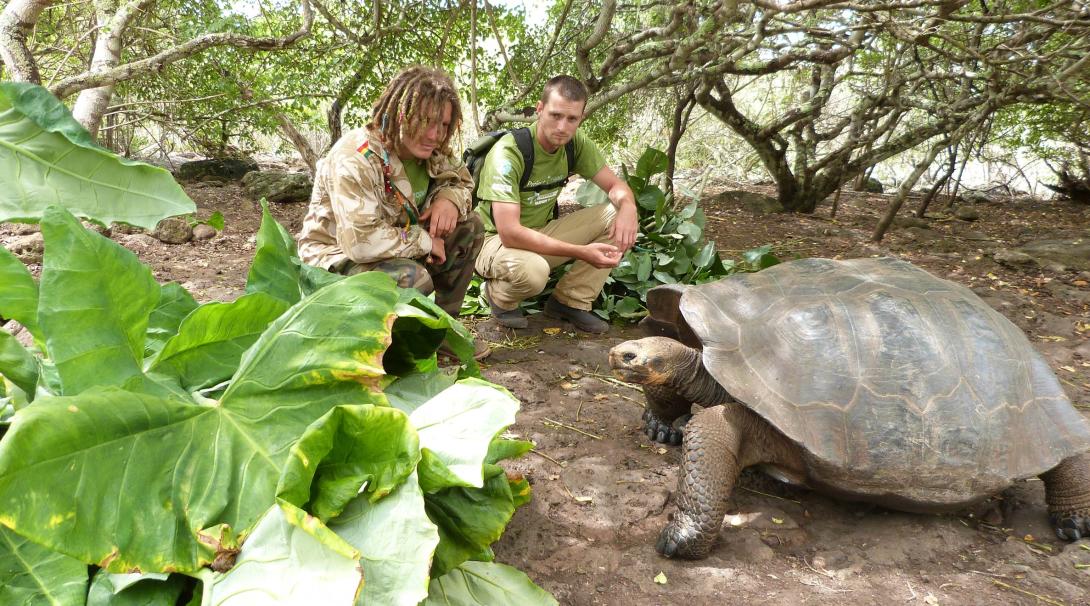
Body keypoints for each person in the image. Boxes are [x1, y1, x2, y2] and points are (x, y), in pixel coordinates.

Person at [297, 65, 488, 359]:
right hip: (336, 257)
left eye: (444, 125)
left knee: (471, 227)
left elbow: (463, 182)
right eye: (425, 121)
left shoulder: (436, 150)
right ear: (400, 112)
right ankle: (386, 348)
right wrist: (426, 241)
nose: (435, 134)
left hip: (398, 244)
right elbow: (361, 243)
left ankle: (441, 328)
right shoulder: (356, 157)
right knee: (412, 278)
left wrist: (449, 199)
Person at [473, 75, 638, 333]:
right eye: (555, 115)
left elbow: (616, 186)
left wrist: (629, 208)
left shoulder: (575, 145)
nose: (562, 126)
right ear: (539, 110)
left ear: (580, 118)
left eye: (572, 119)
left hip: (540, 231)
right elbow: (510, 233)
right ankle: (499, 296)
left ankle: (570, 301)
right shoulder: (509, 152)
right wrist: (580, 251)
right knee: (534, 272)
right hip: (494, 241)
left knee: (616, 214)